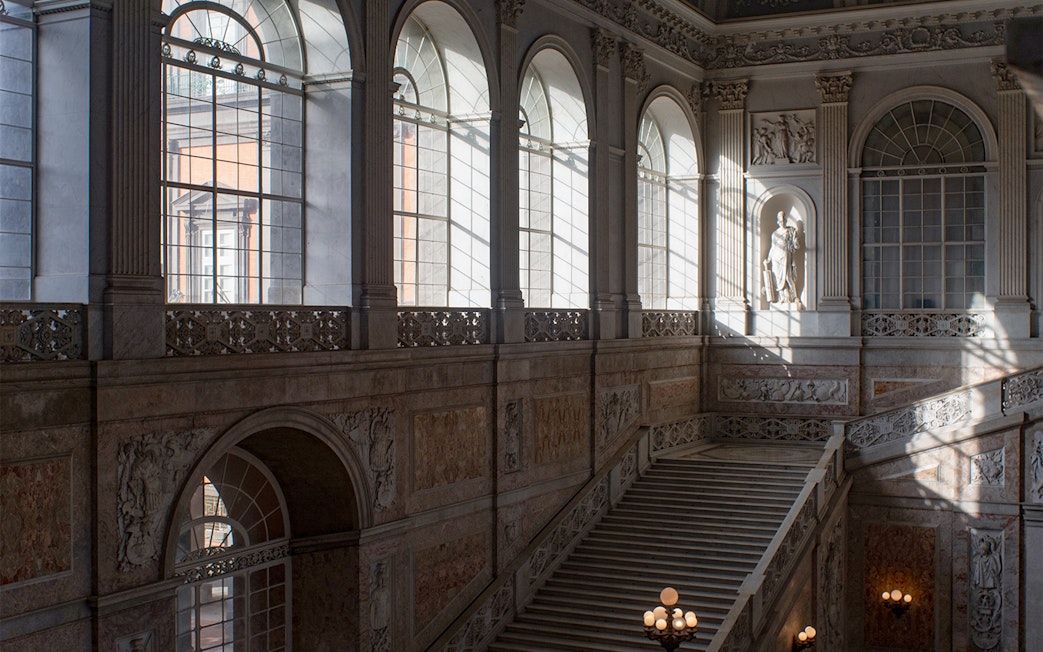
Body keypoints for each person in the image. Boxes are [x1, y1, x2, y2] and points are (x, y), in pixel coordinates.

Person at [764, 211, 802, 307]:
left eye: (783, 220)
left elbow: (796, 246)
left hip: (786, 255)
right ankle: (783, 298)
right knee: (778, 278)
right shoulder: (774, 234)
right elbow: (772, 247)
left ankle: (794, 297)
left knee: (788, 276)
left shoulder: (791, 231)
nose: (782, 222)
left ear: (785, 220)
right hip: (776, 257)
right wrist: (768, 259)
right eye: (780, 221)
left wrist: (796, 240)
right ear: (778, 222)